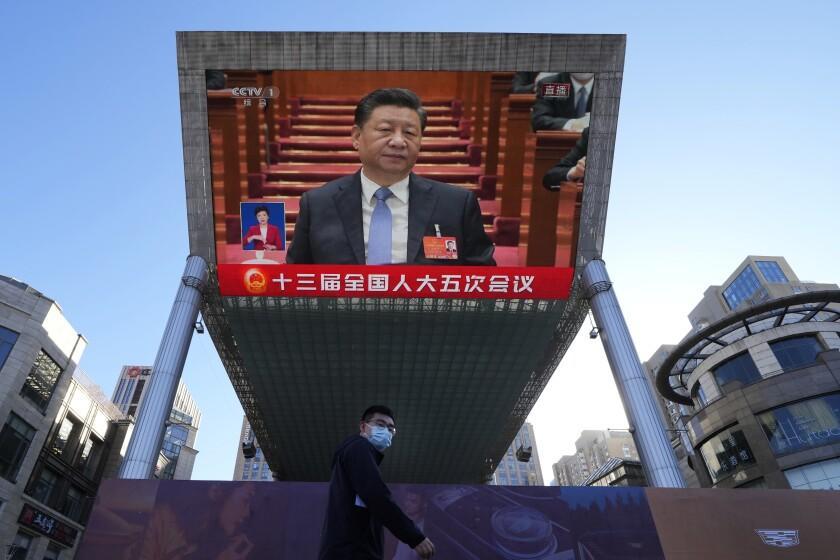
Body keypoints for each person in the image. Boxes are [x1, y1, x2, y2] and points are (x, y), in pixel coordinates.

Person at [286, 88, 495, 266]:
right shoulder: (318, 204)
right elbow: (295, 278)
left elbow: (483, 281)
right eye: (385, 130)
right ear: (357, 137)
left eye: (410, 133)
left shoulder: (457, 205)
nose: (398, 141)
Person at [318, 406, 435, 560]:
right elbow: (377, 495)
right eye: (380, 424)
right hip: (352, 553)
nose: (386, 431)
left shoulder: (353, 454)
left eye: (390, 429)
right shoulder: (359, 447)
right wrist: (414, 536)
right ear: (363, 426)